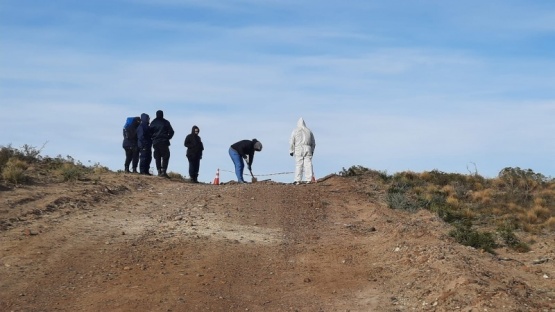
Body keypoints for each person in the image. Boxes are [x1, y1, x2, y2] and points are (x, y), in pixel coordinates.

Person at [289, 117, 316, 184]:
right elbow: (313, 142)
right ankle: (309, 179)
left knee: (299, 164)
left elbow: (291, 141)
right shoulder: (309, 131)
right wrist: (312, 150)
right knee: (308, 164)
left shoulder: (295, 130)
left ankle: (297, 180)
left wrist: (291, 150)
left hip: (298, 148)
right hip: (308, 148)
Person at [150, 110, 175, 178]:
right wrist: (168, 137)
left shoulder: (153, 122)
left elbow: (149, 132)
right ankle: (163, 171)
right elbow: (172, 131)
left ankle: (159, 171)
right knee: (165, 156)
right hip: (164, 141)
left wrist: (153, 138)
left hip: (155, 142)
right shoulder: (165, 122)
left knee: (157, 156)